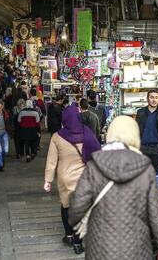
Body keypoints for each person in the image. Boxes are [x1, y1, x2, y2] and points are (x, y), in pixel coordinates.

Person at [68, 116, 158, 260]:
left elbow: (75, 210)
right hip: (137, 248)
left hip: (100, 247)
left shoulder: (94, 165)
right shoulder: (145, 168)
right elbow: (156, 215)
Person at [44, 105, 101, 255]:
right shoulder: (87, 132)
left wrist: (48, 180)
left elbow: (51, 161)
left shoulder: (57, 136)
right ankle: (77, 242)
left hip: (64, 177)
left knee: (66, 205)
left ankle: (68, 236)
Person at [136, 89, 158, 171]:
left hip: (157, 149)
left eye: (156, 97)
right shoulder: (140, 113)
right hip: (143, 148)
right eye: (151, 97)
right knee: (142, 174)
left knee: (156, 175)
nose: (154, 100)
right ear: (147, 99)